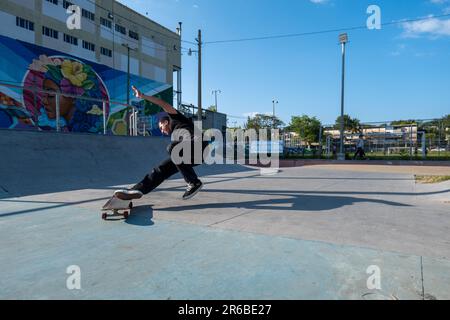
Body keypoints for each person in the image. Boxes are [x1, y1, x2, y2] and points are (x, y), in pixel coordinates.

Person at [114, 86, 206, 201]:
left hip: (199, 145)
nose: (162, 131)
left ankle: (194, 182)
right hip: (192, 155)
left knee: (173, 147)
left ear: (166, 122)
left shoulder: (175, 117)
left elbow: (163, 104)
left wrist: (143, 96)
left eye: (161, 127)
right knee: (161, 169)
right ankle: (137, 190)